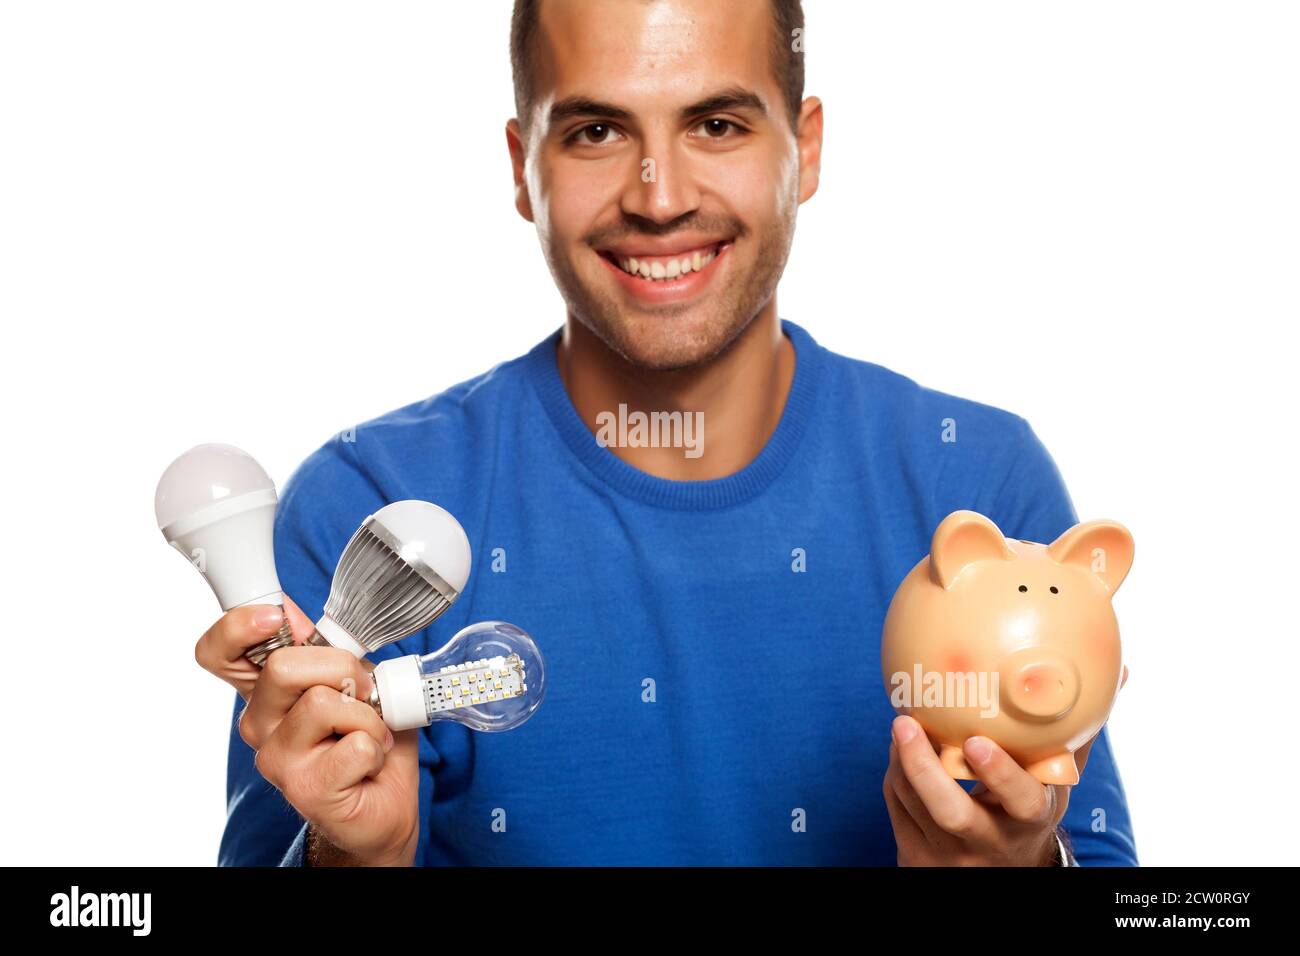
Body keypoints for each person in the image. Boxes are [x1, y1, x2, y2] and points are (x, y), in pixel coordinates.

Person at [199, 0, 1138, 866]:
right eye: (597, 131)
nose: (658, 197)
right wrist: (356, 860)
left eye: (717, 125)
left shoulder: (974, 483)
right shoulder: (375, 509)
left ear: (804, 150)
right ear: (523, 167)